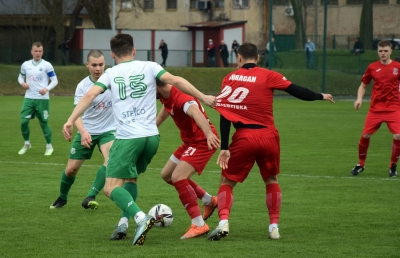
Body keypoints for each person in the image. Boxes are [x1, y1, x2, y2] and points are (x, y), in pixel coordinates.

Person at [61, 33, 216, 246]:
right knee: (131, 179)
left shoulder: (111, 73)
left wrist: (70, 120)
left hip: (127, 138)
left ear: (112, 54)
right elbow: (176, 81)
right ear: (134, 51)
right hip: (151, 138)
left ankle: (141, 218)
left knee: (110, 187)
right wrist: (204, 96)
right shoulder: (150, 66)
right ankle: (123, 223)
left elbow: (89, 95)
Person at [207, 42, 334, 241]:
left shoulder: (230, 78)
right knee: (271, 180)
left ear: (239, 58)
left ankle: (223, 222)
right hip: (268, 136)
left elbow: (225, 113)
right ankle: (274, 227)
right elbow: (296, 90)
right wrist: (319, 96)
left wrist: (224, 147)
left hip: (244, 137)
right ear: (258, 58)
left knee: (227, 181)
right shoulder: (269, 75)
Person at [50, 50, 115, 210]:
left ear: (104, 64)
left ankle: (90, 196)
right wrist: (84, 132)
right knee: (71, 169)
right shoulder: (83, 86)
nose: (98, 68)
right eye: (94, 65)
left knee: (110, 160)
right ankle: (62, 197)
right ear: (87, 65)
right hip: (87, 129)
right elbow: (77, 113)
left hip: (110, 130)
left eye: (101, 64)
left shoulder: (113, 80)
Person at [156, 79, 220, 239]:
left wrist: (209, 134)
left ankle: (199, 224)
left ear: (157, 86)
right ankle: (209, 201)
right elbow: (167, 108)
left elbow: (195, 111)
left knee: (178, 177)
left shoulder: (181, 98)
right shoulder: (166, 94)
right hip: (190, 142)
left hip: (202, 141)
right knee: (167, 175)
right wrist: (153, 126)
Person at [350, 40, 400, 178]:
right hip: (376, 109)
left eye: (385, 51)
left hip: (394, 108)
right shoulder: (372, 67)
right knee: (365, 135)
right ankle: (360, 164)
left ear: (391, 51)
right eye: (380, 51)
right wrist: (359, 99)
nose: (383, 53)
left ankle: (393, 166)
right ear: (378, 51)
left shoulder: (398, 67)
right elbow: (363, 85)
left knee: (398, 135)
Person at [17, 42, 58, 156]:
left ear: (42, 52)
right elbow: (20, 77)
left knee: (43, 123)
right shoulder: (26, 64)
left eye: (40, 51)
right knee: (23, 121)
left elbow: (54, 80)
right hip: (29, 98)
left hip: (42, 99)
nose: (38, 53)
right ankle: (27, 144)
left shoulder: (47, 65)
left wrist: (47, 88)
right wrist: (23, 83)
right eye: (36, 51)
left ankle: (49, 146)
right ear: (32, 51)